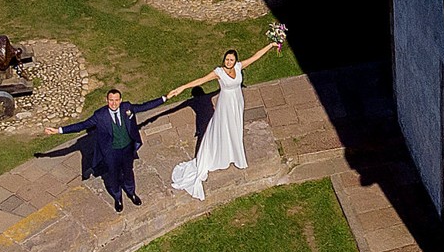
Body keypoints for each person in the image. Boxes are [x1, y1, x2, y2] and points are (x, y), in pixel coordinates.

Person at [168, 36, 283, 201]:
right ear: (224, 60)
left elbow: (256, 56)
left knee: (236, 128)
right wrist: (181, 88)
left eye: (232, 59)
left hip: (237, 102)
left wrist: (271, 45)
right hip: (225, 105)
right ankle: (219, 155)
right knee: (223, 128)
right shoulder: (219, 72)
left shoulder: (239, 66)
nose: (229, 62)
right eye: (227, 59)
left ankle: (235, 155)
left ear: (235, 59)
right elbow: (200, 80)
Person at [46, 87, 169, 213]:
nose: (114, 103)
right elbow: (82, 125)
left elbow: (145, 106)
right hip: (111, 152)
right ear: (106, 100)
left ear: (120, 100)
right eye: (111, 100)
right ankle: (117, 198)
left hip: (127, 148)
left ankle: (131, 192)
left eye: (116, 100)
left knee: (128, 172)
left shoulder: (127, 108)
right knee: (113, 175)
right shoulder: (100, 115)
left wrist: (165, 98)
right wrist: (59, 130)